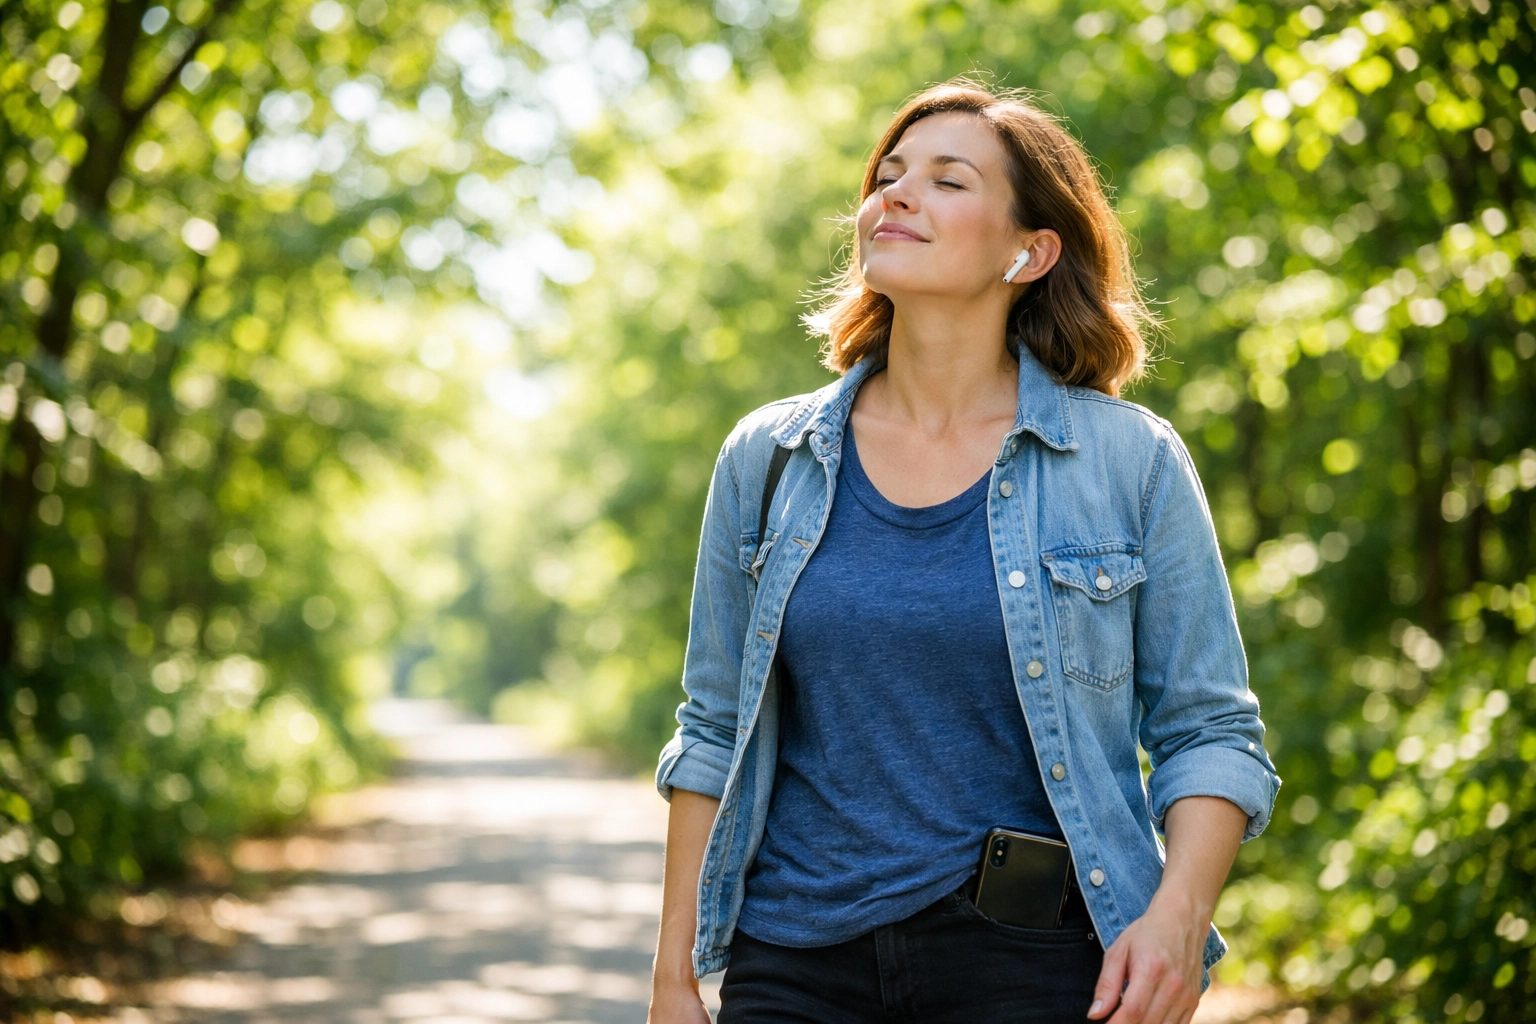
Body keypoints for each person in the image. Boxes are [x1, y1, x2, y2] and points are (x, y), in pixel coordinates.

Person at [647, 79, 1279, 1024]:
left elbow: (1209, 733)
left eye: (947, 181)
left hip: (1032, 963)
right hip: (794, 956)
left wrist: (1178, 921)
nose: (894, 196)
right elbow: (713, 728)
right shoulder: (769, 458)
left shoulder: (1126, 462)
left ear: (1030, 250)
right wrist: (671, 980)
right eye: (888, 176)